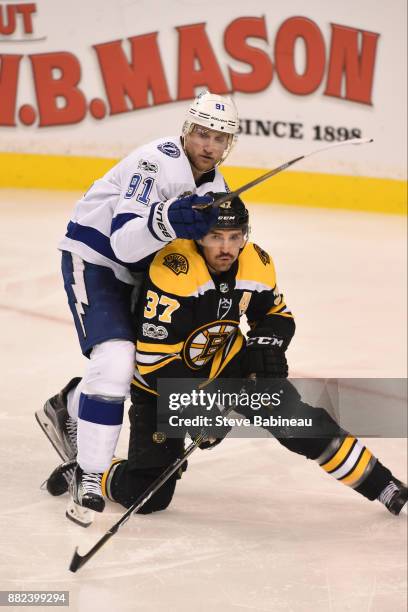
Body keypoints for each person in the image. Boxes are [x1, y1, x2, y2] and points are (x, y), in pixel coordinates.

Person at [46, 196, 407, 526]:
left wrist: (265, 346)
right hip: (159, 383)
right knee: (147, 494)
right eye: (217, 236)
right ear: (199, 235)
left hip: (226, 367)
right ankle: (86, 464)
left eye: (235, 237)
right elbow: (156, 363)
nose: (226, 247)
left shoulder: (258, 263)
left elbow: (276, 315)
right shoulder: (174, 269)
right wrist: (197, 411)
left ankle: (384, 485)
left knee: (299, 422)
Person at [35, 91, 240, 522]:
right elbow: (124, 244)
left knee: (141, 368)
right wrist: (167, 217)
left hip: (147, 274)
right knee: (114, 360)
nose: (209, 145)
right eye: (202, 133)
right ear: (187, 130)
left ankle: (69, 403)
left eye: (219, 139)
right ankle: (89, 476)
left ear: (229, 146)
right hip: (96, 261)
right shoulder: (156, 162)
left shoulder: (217, 187)